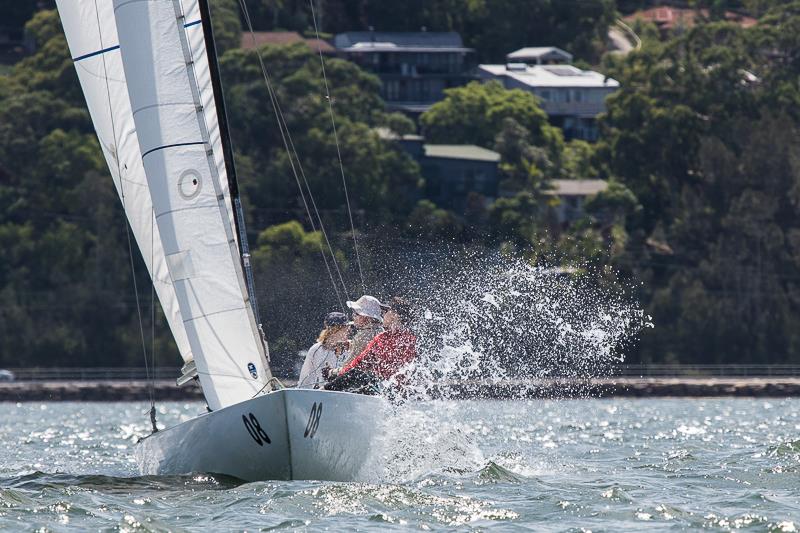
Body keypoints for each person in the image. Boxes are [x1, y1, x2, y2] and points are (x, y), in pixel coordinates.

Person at [325, 297, 417, 394]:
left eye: (386, 311)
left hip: (383, 389)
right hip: (402, 391)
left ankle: (323, 390)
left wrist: (333, 374)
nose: (383, 314)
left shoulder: (382, 338)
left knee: (357, 373)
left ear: (394, 315)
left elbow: (358, 363)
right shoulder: (411, 339)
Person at [297, 312, 350, 389]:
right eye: (345, 328)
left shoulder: (351, 347)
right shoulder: (315, 349)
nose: (348, 331)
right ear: (333, 330)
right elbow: (306, 377)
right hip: (324, 394)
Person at [343, 295, 385, 364]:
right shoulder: (380, 330)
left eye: (356, 314)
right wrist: (351, 345)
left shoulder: (363, 336)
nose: (353, 316)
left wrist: (333, 371)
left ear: (367, 317)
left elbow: (349, 364)